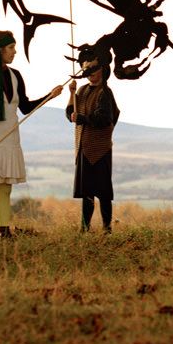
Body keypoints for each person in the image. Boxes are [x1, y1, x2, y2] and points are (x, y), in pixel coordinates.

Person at [0, 11, 63, 238]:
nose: (15, 52)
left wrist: (50, 96)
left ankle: (4, 231)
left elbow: (25, 107)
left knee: (5, 187)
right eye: (11, 48)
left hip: (11, 135)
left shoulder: (17, 75)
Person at [66, 57, 121, 232]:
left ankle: (107, 229)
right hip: (83, 147)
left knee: (103, 192)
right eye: (86, 69)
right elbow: (71, 115)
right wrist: (71, 93)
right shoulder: (81, 90)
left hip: (100, 149)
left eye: (93, 69)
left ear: (102, 71)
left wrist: (82, 118)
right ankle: (84, 228)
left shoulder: (105, 92)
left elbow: (104, 119)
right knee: (87, 192)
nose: (90, 73)